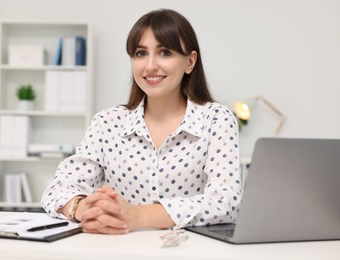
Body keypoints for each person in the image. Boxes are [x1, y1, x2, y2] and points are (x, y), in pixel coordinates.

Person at [41, 8, 242, 235]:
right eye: (140, 53)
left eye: (165, 53)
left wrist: (137, 215)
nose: (150, 66)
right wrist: (84, 208)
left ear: (190, 62)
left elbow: (226, 202)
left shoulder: (216, 120)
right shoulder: (107, 123)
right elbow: (57, 188)